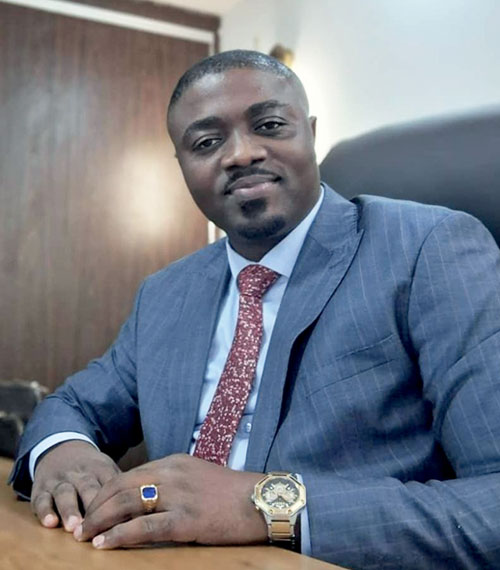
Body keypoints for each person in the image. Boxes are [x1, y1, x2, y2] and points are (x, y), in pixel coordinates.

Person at [9, 50, 500, 569]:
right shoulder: (167, 293)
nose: (241, 154)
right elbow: (73, 406)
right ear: (183, 167)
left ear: (311, 133)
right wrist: (62, 450)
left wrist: (265, 507)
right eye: (206, 143)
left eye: (269, 125)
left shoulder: (427, 250)